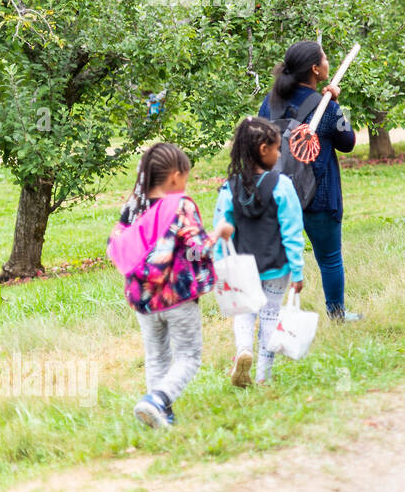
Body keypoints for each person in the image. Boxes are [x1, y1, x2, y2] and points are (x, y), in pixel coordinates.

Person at [106, 142, 226, 429]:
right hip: (177, 298)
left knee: (156, 357)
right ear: (175, 176)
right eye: (186, 176)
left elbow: (116, 248)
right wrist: (219, 233)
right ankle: (157, 400)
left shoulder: (133, 208)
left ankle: (161, 414)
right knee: (189, 357)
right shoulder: (181, 205)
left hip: (143, 301)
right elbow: (198, 249)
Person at [261, 40, 360, 322]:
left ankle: (270, 317)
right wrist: (337, 106)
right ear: (316, 69)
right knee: (329, 258)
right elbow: (348, 141)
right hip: (319, 194)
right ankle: (337, 315)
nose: (329, 62)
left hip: (278, 193)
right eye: (325, 58)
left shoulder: (269, 103)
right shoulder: (326, 106)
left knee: (276, 262)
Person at [213, 116, 305, 385]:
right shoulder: (282, 186)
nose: (279, 154)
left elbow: (221, 227)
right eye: (277, 148)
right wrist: (297, 271)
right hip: (276, 267)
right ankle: (264, 377)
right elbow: (292, 233)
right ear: (264, 150)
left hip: (241, 267)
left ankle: (243, 349)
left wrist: (222, 266)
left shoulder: (228, 188)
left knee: (244, 312)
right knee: (269, 318)